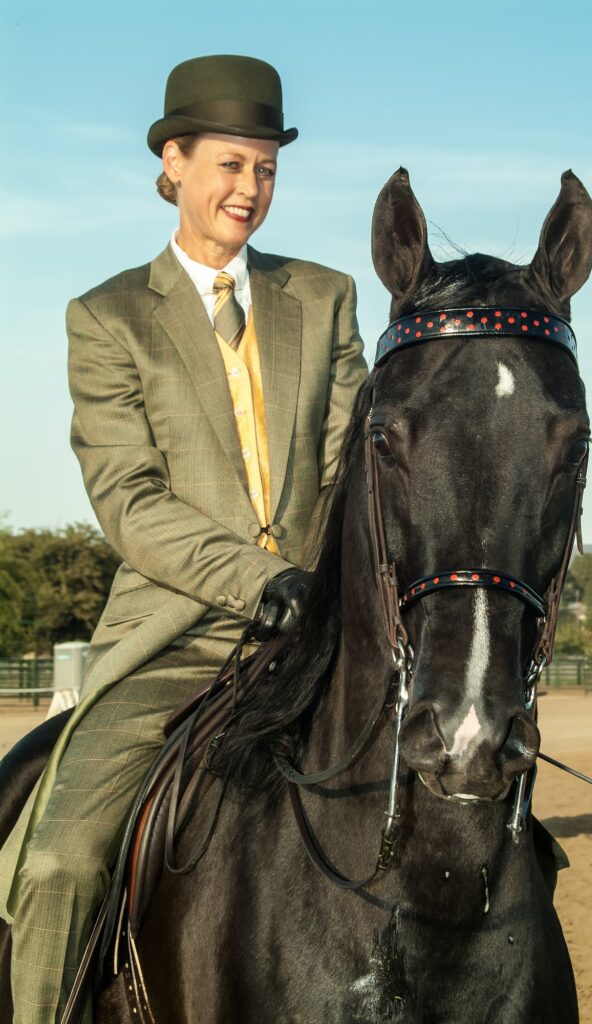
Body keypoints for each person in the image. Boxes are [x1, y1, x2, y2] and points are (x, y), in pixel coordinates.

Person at [0, 54, 367, 1023]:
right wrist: (268, 580)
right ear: (173, 161)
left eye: (267, 169)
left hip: (317, 634)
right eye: (230, 166)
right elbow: (132, 503)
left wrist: (325, 588)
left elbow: (346, 471)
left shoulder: (326, 299)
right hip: (174, 641)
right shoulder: (107, 317)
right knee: (55, 861)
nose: (250, 189)